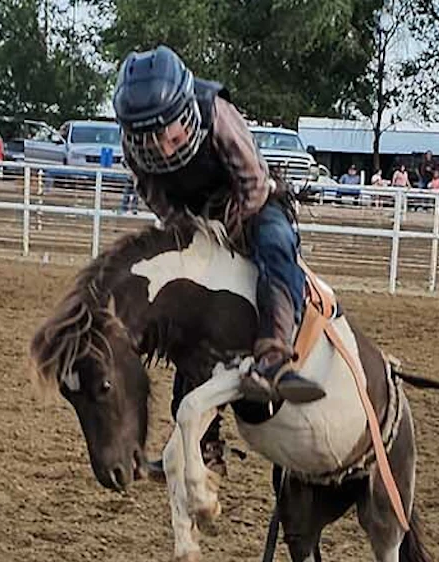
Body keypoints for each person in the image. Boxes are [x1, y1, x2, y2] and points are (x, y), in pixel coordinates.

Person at [111, 46, 324, 403]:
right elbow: (160, 204)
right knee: (187, 298)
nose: (164, 149)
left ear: (186, 112)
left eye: (172, 136)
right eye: (152, 140)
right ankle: (195, 426)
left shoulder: (217, 112)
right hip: (194, 222)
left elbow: (254, 185)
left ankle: (275, 355)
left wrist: (226, 232)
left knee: (276, 242)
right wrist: (194, 238)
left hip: (248, 207)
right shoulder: (134, 147)